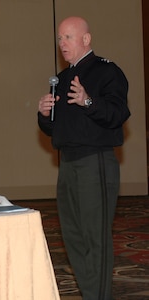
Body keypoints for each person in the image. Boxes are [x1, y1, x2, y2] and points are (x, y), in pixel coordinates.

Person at [37, 16, 130, 300]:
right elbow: (56, 127)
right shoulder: (63, 78)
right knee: (73, 237)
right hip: (67, 163)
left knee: (95, 238)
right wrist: (43, 114)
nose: (62, 44)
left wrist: (88, 101)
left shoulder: (108, 72)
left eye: (68, 37)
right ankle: (92, 294)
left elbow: (118, 114)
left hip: (95, 161)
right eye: (59, 38)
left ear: (86, 39)